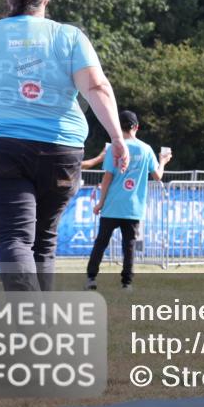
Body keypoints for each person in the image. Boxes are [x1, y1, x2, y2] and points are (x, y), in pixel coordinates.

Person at [0, 0, 128, 291]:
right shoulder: (69, 36)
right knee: (43, 240)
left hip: (0, 145)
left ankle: (29, 327)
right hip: (60, 149)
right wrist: (116, 136)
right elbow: (97, 88)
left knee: (13, 238)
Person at [85, 111, 171, 290]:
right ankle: (127, 283)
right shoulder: (146, 149)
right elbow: (157, 176)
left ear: (119, 126)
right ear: (136, 127)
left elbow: (107, 178)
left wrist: (100, 202)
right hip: (133, 207)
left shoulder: (113, 148)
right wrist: (163, 161)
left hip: (112, 205)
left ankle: (91, 279)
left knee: (101, 243)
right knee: (129, 246)